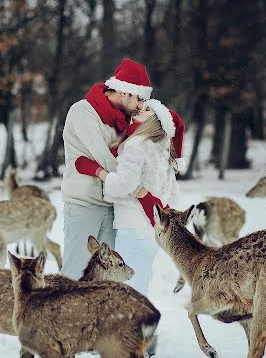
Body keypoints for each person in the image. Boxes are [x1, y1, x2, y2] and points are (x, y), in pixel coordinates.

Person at [75, 99, 185, 298]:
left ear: (158, 121)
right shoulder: (163, 150)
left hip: (132, 228)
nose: (141, 108)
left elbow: (121, 185)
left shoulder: (136, 144)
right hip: (151, 234)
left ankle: (135, 328)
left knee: (128, 296)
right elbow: (173, 195)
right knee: (138, 291)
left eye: (149, 109)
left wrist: (96, 170)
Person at [60, 58, 158, 279]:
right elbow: (105, 159)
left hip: (112, 205)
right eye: (139, 99)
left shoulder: (124, 121)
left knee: (107, 278)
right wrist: (141, 193)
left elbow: (129, 159)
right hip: (83, 204)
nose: (141, 105)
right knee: (74, 275)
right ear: (125, 93)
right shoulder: (82, 112)